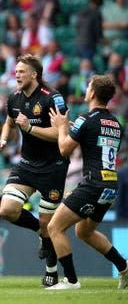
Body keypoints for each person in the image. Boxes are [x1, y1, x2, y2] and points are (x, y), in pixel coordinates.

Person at [0, 54, 69, 287]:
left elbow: (61, 134)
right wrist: (5, 139)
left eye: (21, 71)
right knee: (7, 209)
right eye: (15, 71)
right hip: (27, 164)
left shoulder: (52, 99)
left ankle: (51, 271)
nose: (16, 74)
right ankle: (39, 229)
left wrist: (29, 128)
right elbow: (9, 121)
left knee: (50, 224)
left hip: (53, 167)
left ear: (34, 74)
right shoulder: (14, 98)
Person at [48, 74, 128, 290]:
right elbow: (95, 140)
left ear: (92, 92)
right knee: (84, 232)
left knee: (54, 227)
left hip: (93, 184)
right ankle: (124, 267)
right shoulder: (115, 123)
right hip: (110, 185)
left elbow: (64, 149)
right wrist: (75, 128)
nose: (86, 89)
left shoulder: (86, 118)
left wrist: (62, 126)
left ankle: (71, 281)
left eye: (88, 86)